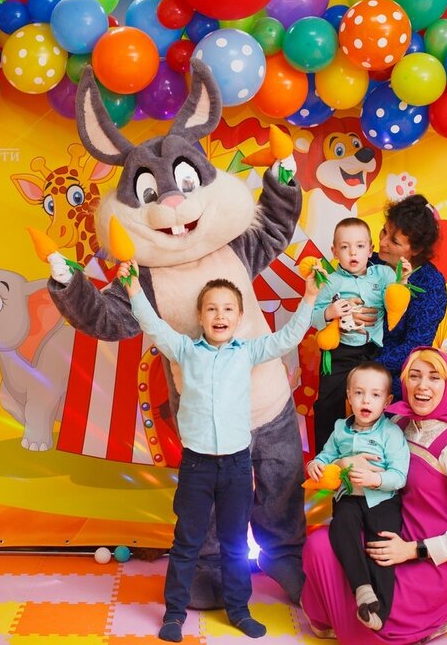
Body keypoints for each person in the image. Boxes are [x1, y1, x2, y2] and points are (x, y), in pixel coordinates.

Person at [118, 259, 321, 642]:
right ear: (200, 317)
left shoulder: (247, 352)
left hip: (236, 467)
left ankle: (238, 610)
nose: (220, 315)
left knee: (233, 544)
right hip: (197, 467)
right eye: (211, 308)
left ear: (240, 317)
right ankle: (174, 613)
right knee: (187, 542)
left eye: (228, 308)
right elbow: (153, 325)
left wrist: (310, 296)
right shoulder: (184, 350)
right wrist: (133, 289)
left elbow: (288, 338)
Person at [300, 347, 447, 644]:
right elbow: (347, 462)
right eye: (414, 376)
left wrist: (412, 550)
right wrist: (340, 463)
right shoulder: (397, 425)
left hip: (425, 558)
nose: (422, 386)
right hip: (386, 534)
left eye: (434, 378)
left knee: (382, 619)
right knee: (320, 545)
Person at [306, 362, 409, 631]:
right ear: (349, 396)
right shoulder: (340, 428)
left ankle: (380, 611)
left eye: (375, 395)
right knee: (341, 529)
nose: (366, 401)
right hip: (350, 497)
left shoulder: (390, 433)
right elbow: (326, 456)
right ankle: (362, 589)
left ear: (387, 401)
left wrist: (376, 479)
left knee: (381, 547)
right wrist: (316, 464)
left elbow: (399, 475)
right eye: (359, 393)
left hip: (383, 499)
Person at [311, 217, 411, 452]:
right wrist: (330, 312)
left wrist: (403, 280)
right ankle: (325, 458)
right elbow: (312, 316)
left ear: (370, 249)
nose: (352, 253)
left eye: (359, 246)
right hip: (340, 352)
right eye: (345, 247)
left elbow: (396, 301)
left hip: (373, 350)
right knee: (328, 403)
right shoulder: (330, 281)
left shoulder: (383, 275)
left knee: (375, 400)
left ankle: (373, 451)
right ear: (334, 251)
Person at [341, 195, 447, 403]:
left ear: (416, 249)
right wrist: (343, 307)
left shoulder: (430, 283)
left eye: (394, 241)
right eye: (384, 231)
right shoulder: (368, 262)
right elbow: (335, 289)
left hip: (393, 376)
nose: (382, 242)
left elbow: (415, 346)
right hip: (350, 355)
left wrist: (366, 370)